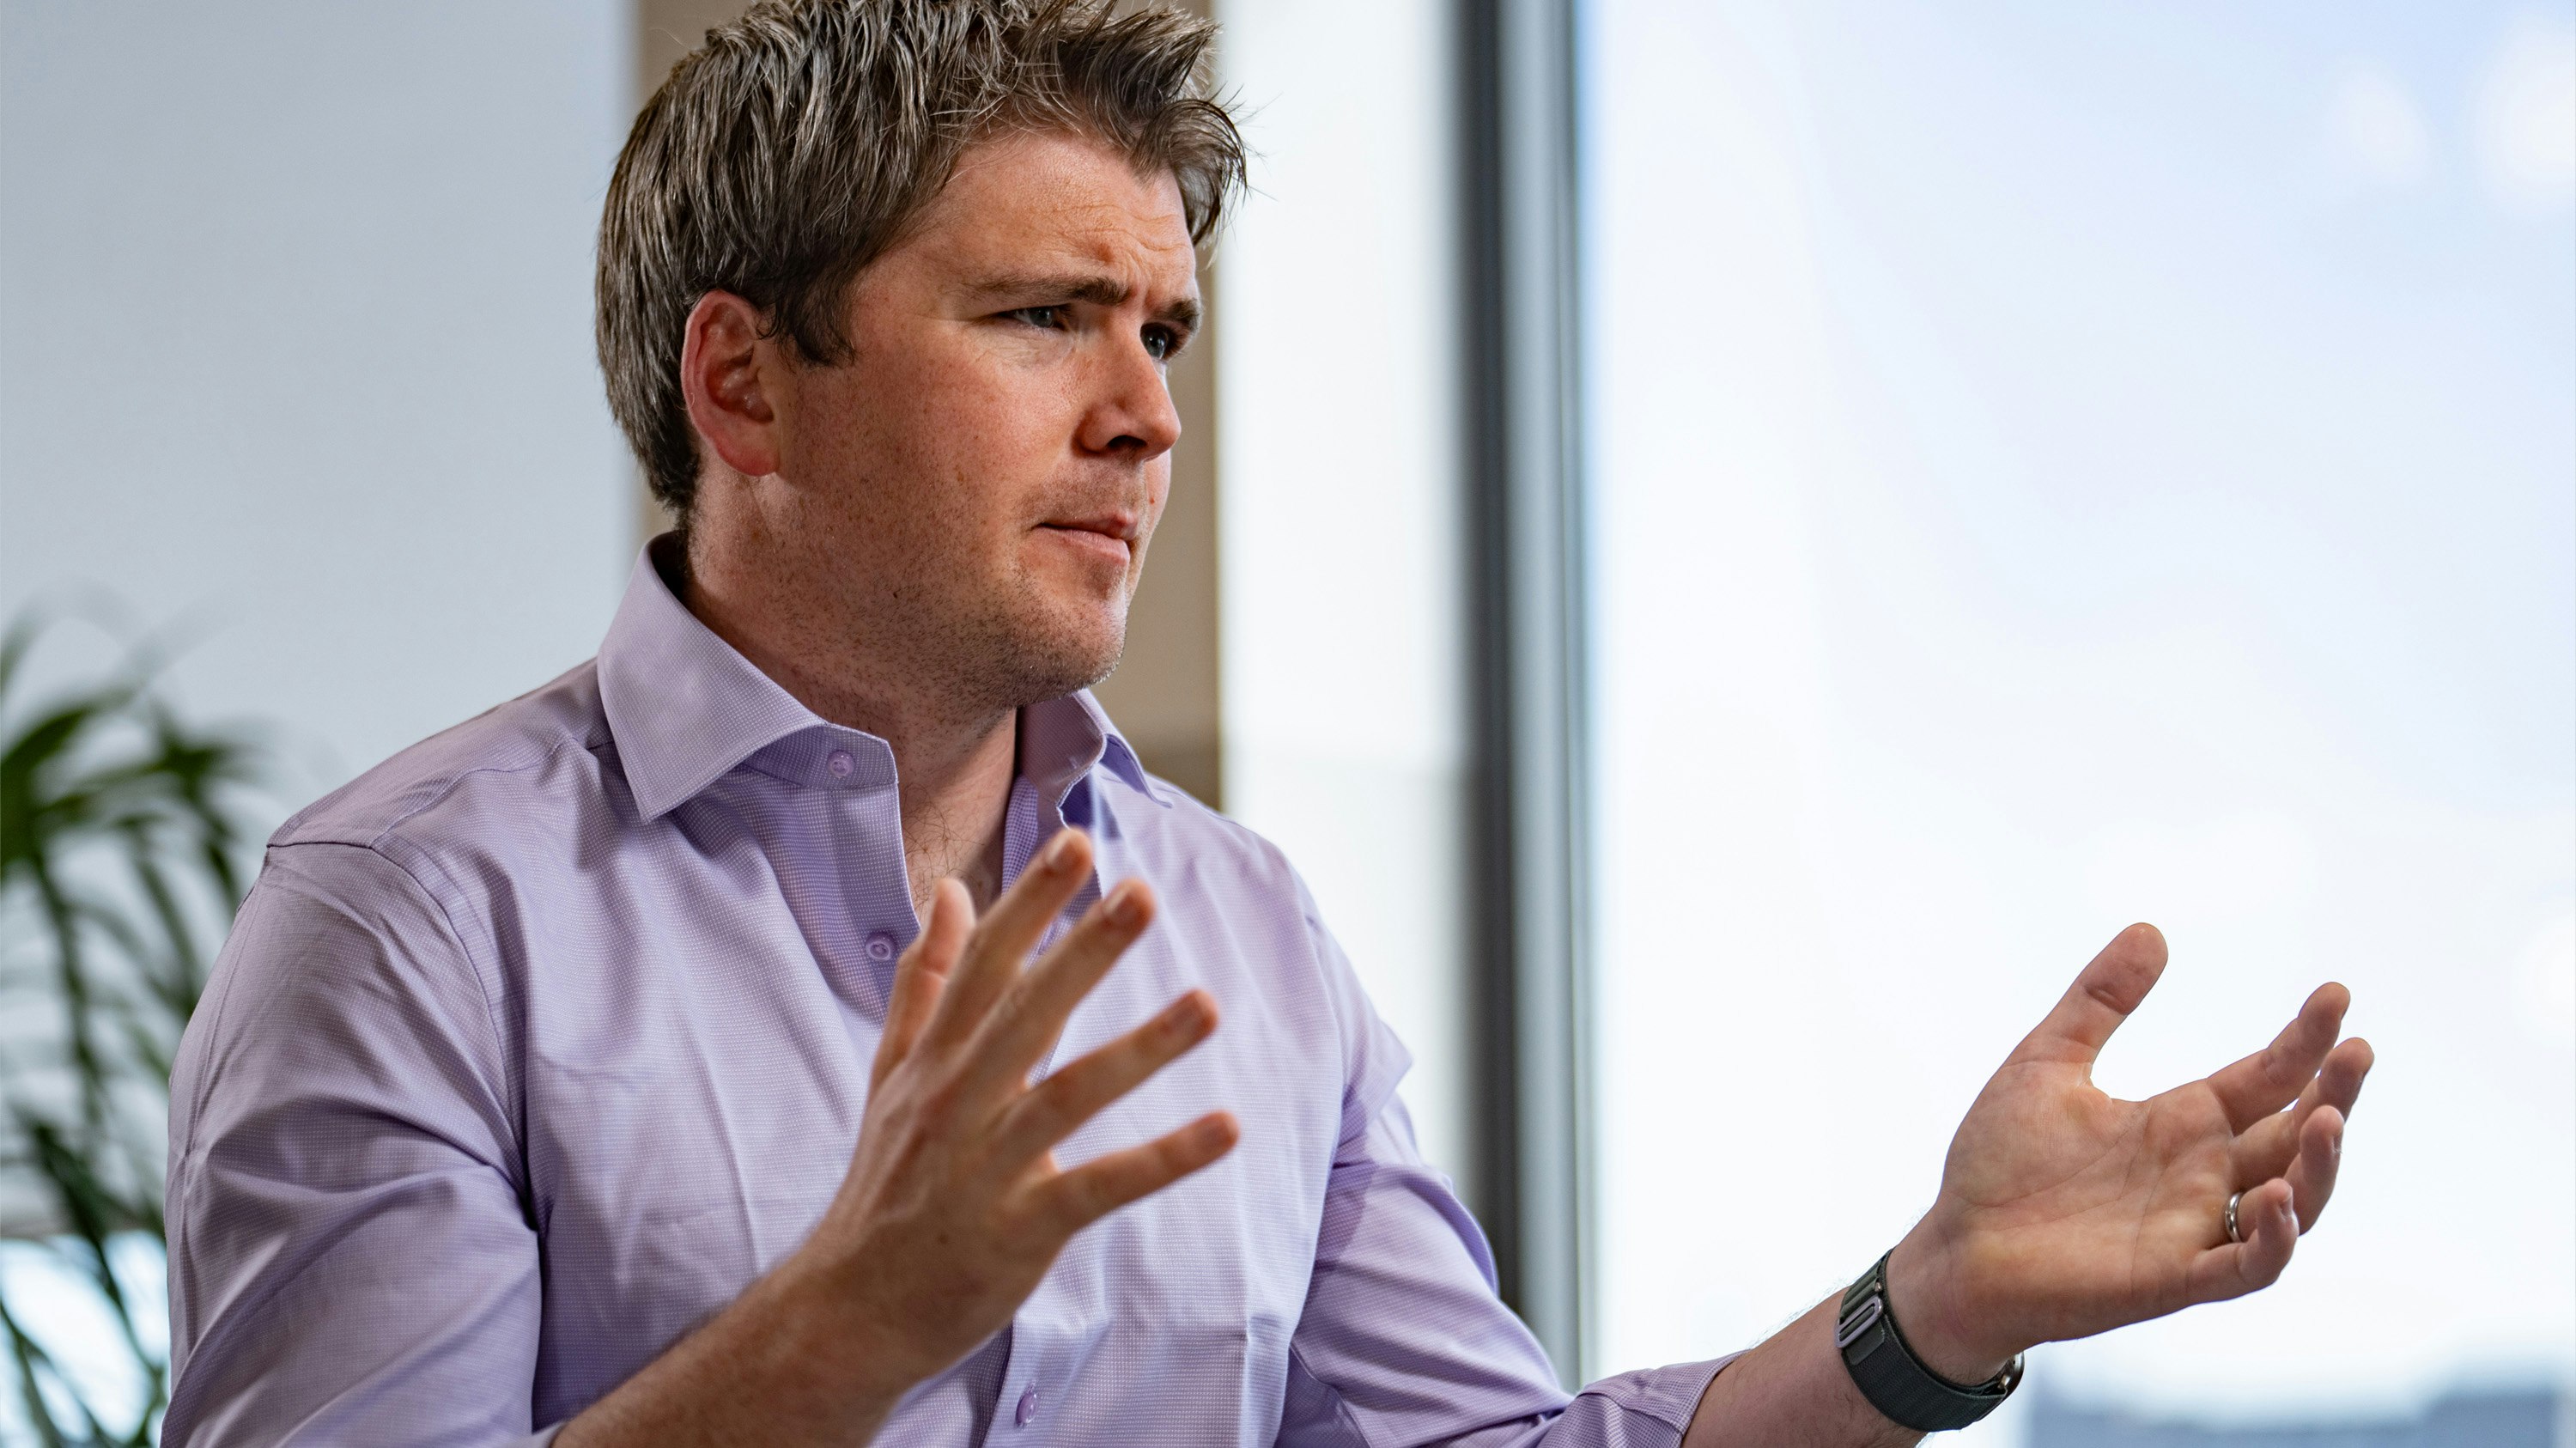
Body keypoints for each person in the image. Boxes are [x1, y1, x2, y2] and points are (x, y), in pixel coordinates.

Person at [161, 2, 2375, 1444]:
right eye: (1043, 319)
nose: (1145, 415)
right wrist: (853, 1322)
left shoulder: (1242, 928)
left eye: (1166, 334)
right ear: (744, 384)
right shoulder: (416, 919)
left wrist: (1933, 1309)